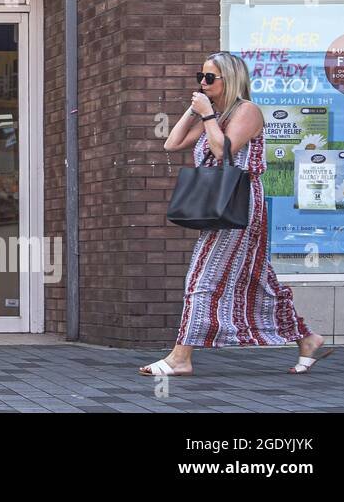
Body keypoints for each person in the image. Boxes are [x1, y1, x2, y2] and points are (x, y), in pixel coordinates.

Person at [139, 51, 330, 377]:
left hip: (240, 205)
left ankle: (180, 357)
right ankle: (307, 338)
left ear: (231, 79)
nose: (202, 82)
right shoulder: (216, 114)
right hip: (219, 206)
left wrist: (208, 116)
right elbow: (172, 144)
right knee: (259, 281)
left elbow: (222, 151)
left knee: (201, 278)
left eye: (210, 78)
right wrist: (195, 109)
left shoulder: (247, 112)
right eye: (200, 77)